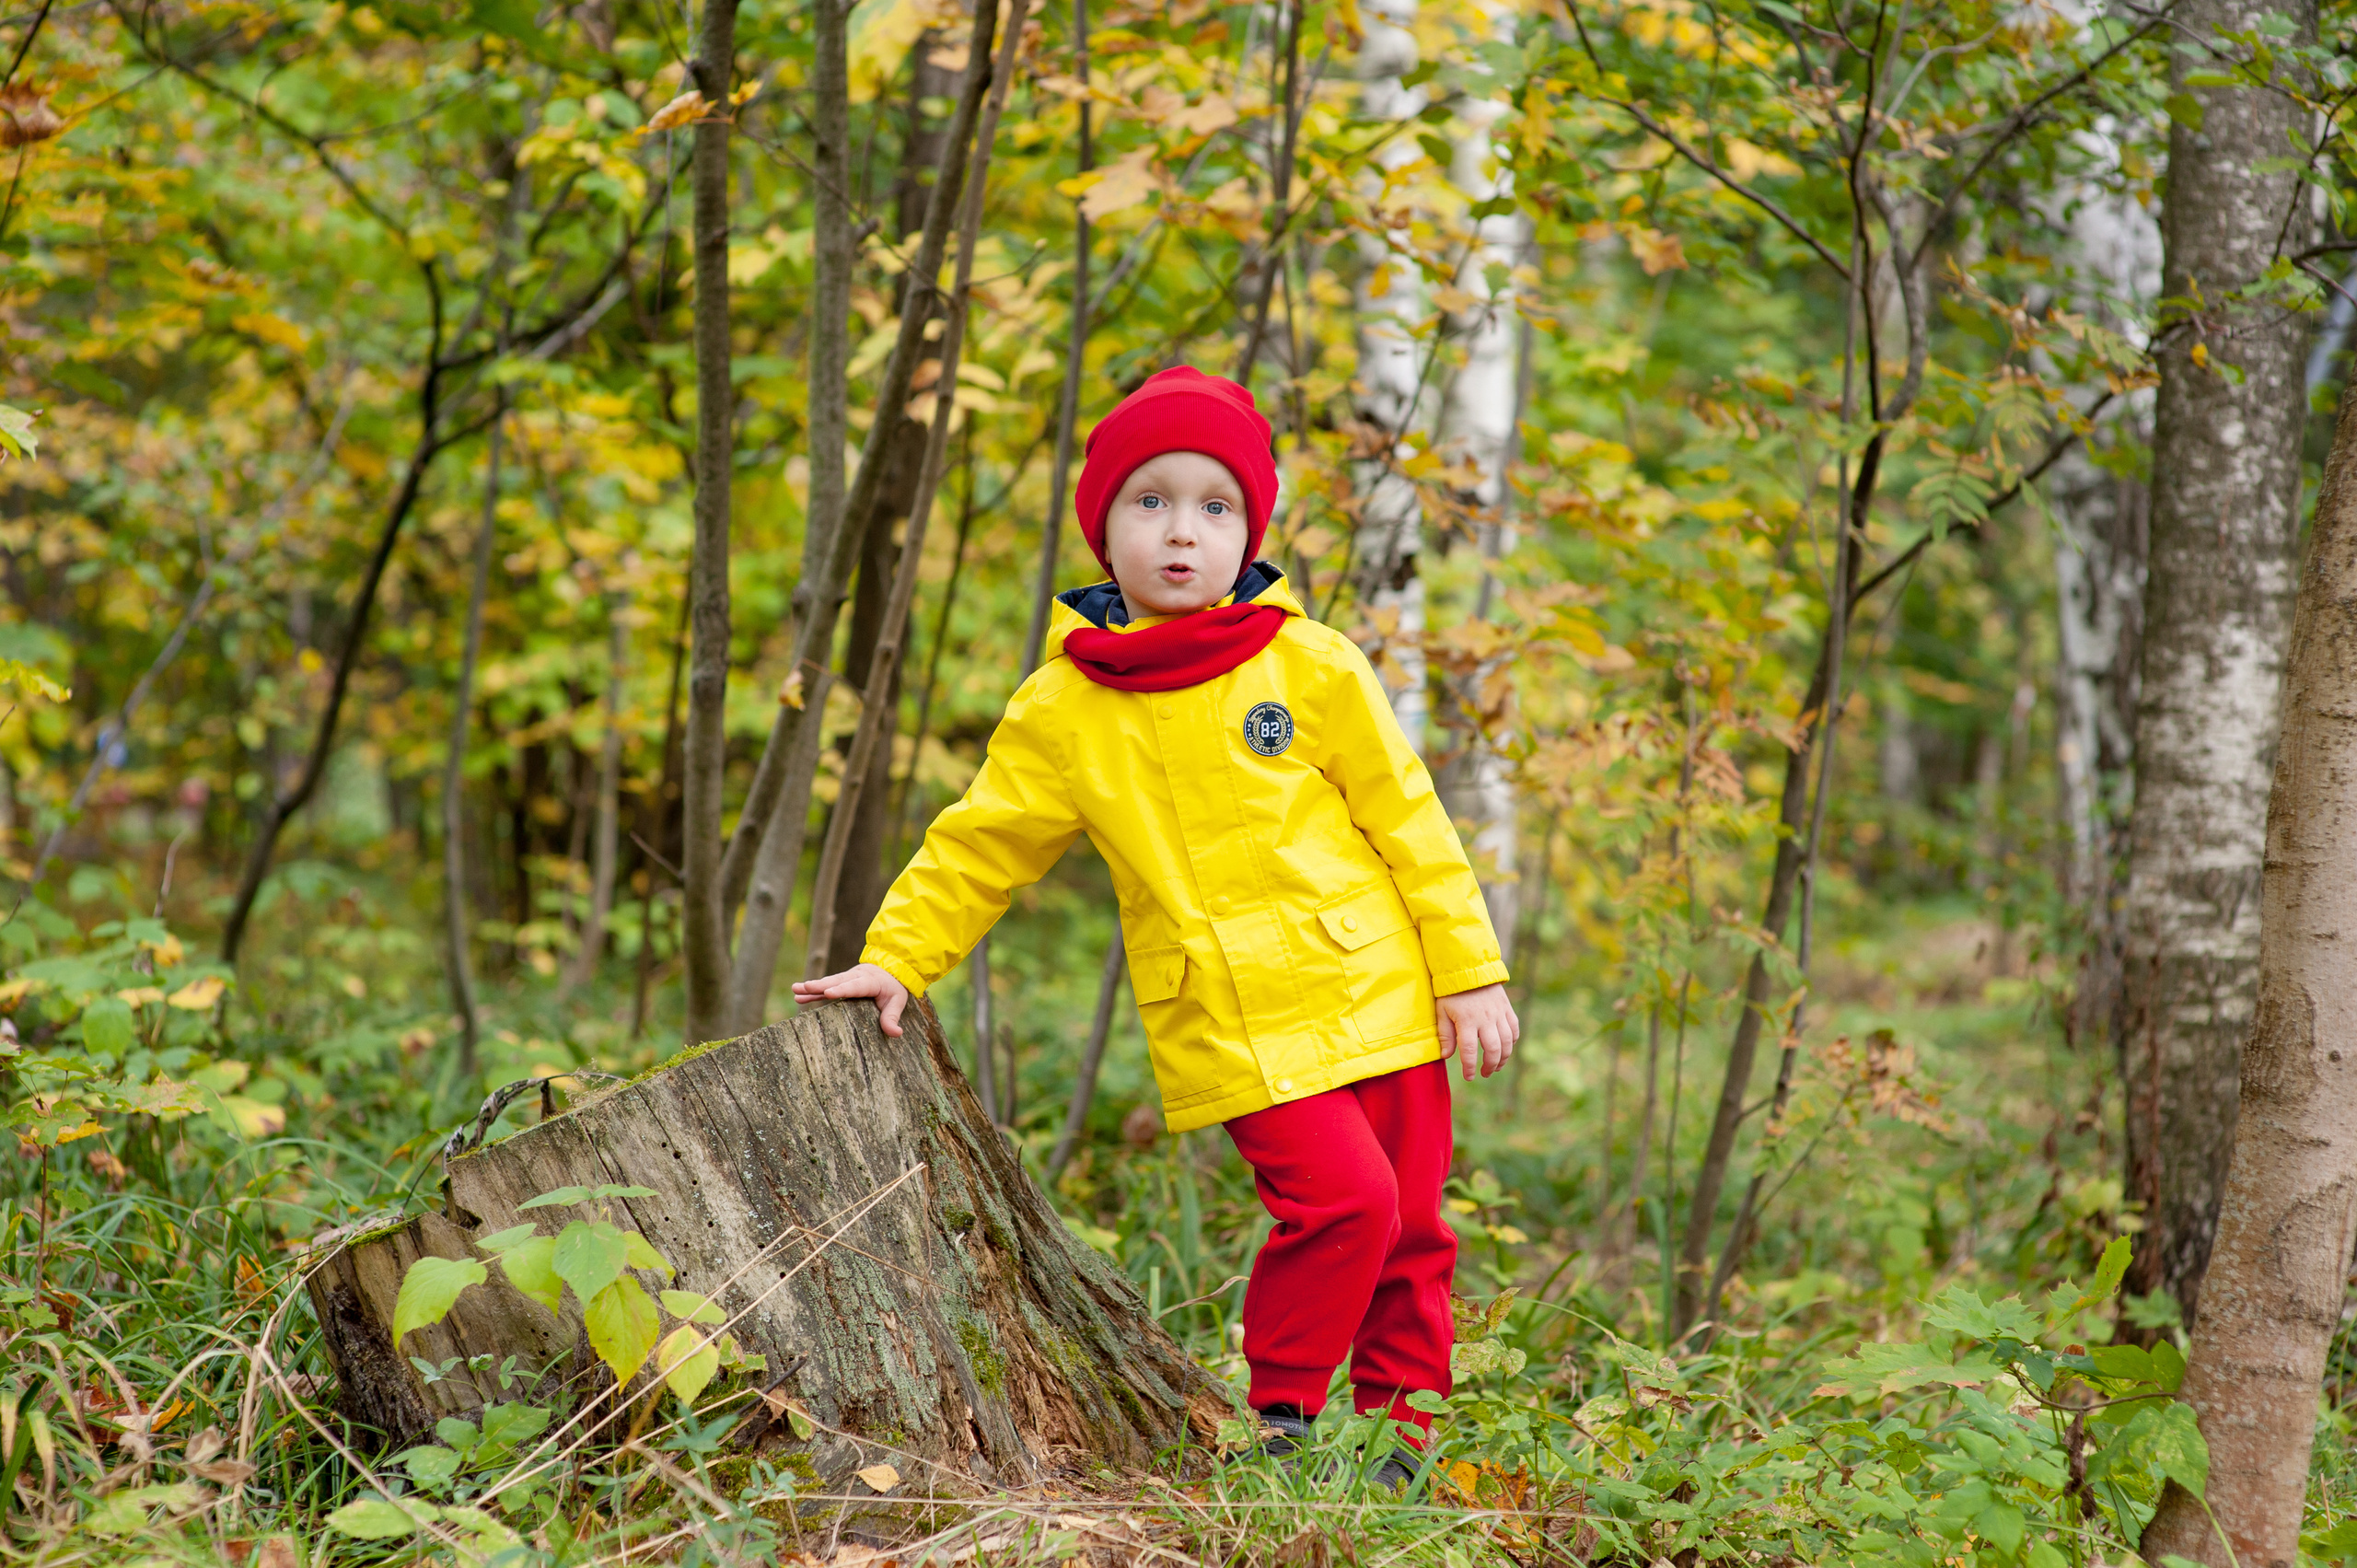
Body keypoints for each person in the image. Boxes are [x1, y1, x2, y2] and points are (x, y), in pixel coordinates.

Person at [795, 365, 1518, 1479]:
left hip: (1379, 986)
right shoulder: (1066, 705)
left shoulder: (1310, 664)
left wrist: (1467, 968)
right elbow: (980, 844)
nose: (1182, 531)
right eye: (1152, 500)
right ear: (1103, 528)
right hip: (1234, 1018)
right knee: (1346, 1201)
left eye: (1214, 506)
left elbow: (1408, 821)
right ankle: (1282, 1417)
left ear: (1248, 531)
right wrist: (896, 957)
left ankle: (1404, 1442)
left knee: (1411, 1229)